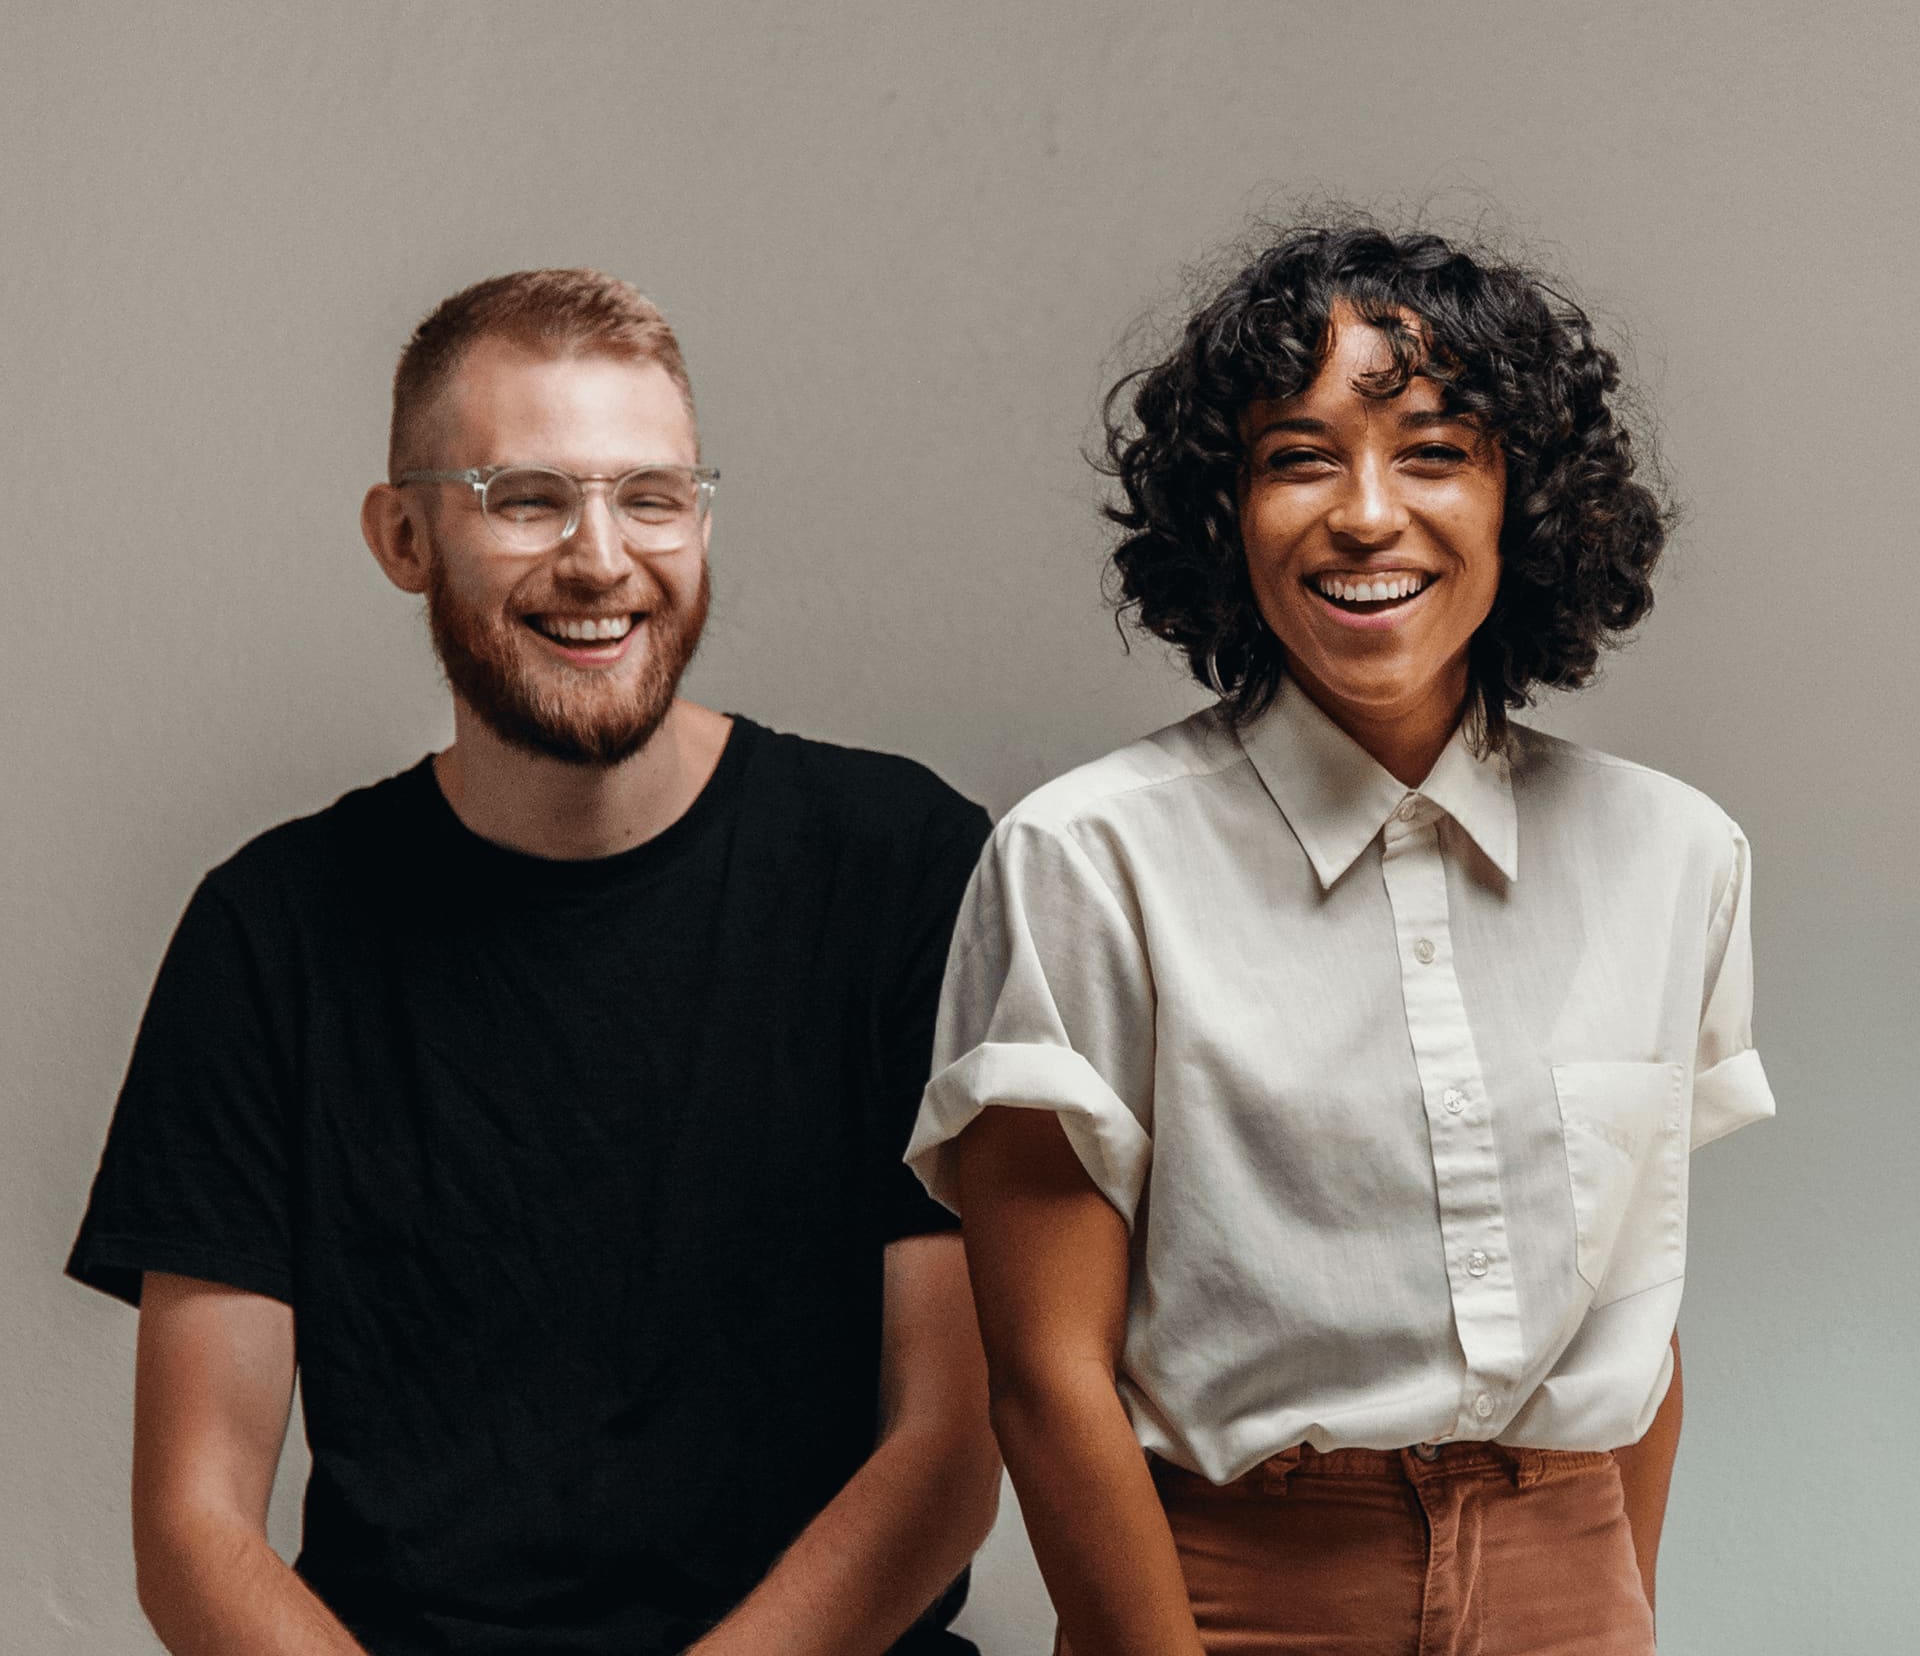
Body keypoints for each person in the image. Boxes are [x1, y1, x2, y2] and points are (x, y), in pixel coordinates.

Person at [68, 268, 1001, 1656]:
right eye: (527, 498)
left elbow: (948, 1449)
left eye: (653, 495)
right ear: (402, 535)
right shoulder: (269, 935)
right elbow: (194, 1529)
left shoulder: (903, 867)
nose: (602, 557)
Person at [905, 224, 1775, 1655]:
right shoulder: (1086, 860)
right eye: (1298, 457)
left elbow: (1636, 1329)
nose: (1366, 514)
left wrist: (1610, 1609)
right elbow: (1047, 1382)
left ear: (1526, 503)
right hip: (1230, 1600)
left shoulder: (1675, 856)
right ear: (1224, 512)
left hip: (1571, 1581)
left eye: (1434, 450)